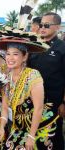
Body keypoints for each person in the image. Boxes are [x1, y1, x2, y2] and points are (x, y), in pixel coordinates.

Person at [0, 35, 55, 149]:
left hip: (39, 127)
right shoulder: (6, 77)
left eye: (15, 54)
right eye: (8, 54)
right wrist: (2, 127)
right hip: (18, 126)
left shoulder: (33, 76)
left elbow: (38, 108)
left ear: (24, 57)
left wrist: (31, 136)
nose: (10, 58)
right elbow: (5, 107)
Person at [28, 12, 65, 149]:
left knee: (52, 138)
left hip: (54, 103)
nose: (42, 28)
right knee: (35, 136)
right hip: (33, 102)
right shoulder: (35, 46)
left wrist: (63, 103)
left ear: (57, 27)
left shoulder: (62, 48)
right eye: (41, 25)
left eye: (47, 25)